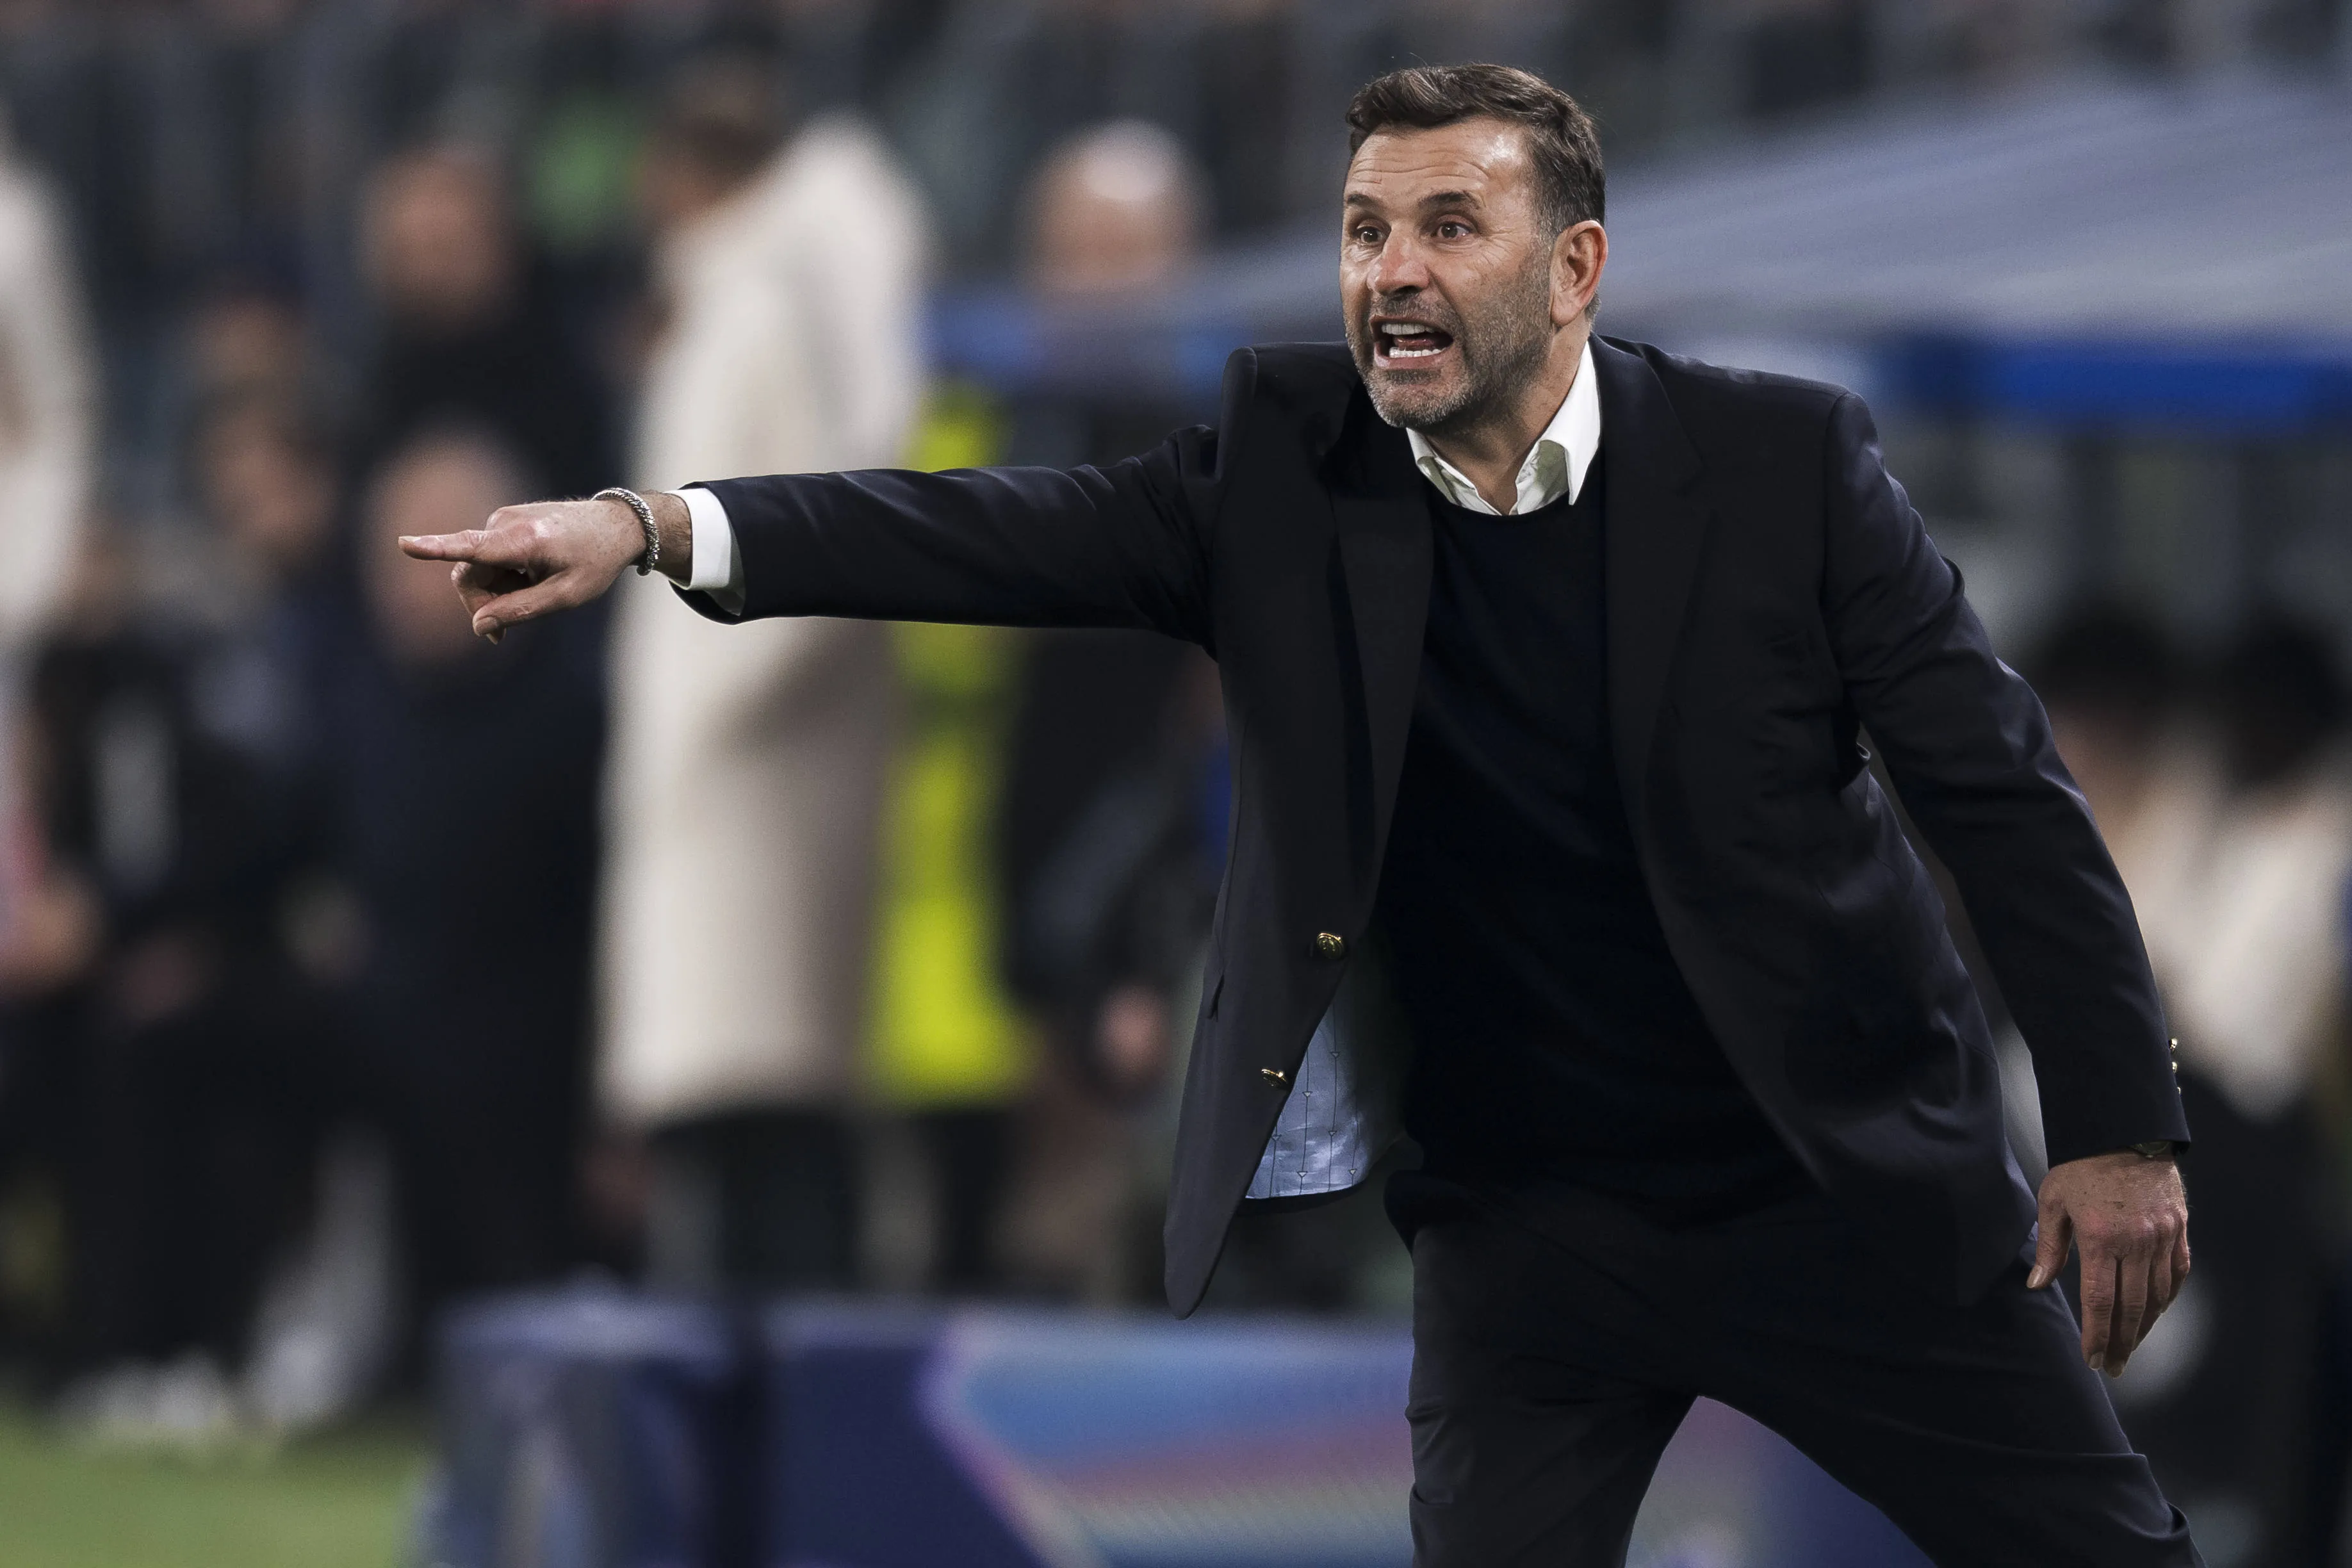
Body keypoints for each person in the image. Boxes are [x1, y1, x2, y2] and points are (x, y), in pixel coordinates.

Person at [405, 64, 2200, 1565]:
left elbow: (2005, 797)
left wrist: (2118, 1129)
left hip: (1838, 1178)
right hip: (1534, 1222)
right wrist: (654, 525)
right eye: (1362, 231)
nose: (1389, 274)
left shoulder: (1784, 469)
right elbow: (980, 528)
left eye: (1445, 228)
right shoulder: (1285, 465)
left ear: (1575, 266)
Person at [600, 58, 926, 1291]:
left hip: (757, 779)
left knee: (767, 1118)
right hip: (737, 777)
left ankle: (779, 1431)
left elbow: (830, 512)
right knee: (729, 1114)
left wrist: (710, 711)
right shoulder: (747, 298)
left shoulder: (773, 302)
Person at [335, 428, 604, 1365]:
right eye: (396, 558)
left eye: (435, 555)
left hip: (541, 1073)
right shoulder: (365, 703)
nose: (410, 586)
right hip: (397, 1051)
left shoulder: (575, 715)